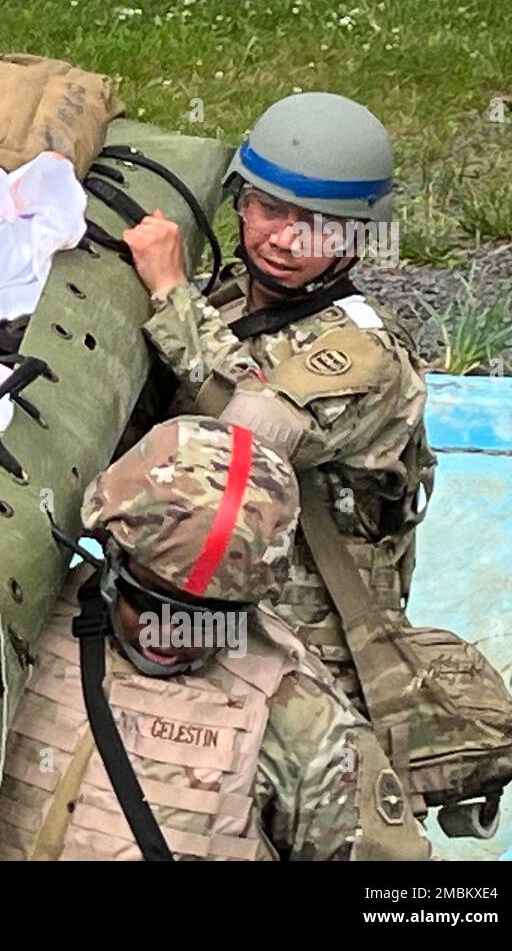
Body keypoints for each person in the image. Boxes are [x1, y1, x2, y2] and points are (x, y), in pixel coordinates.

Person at [0, 417, 431, 861]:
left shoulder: (295, 710)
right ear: (113, 557)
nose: (173, 633)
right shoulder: (23, 616)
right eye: (150, 603)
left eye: (213, 617)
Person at [121, 92, 433, 714]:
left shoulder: (366, 355)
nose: (285, 239)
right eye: (267, 208)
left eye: (318, 224)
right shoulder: (236, 303)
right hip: (178, 591)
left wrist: (171, 293)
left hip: (296, 640)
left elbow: (246, 430)